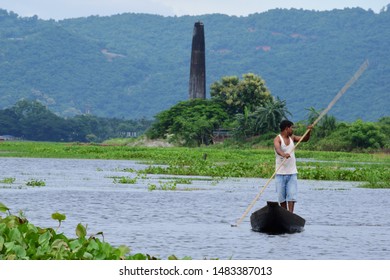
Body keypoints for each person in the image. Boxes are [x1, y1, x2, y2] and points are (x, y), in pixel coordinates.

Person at [273, 120, 312, 213]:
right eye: (292, 127)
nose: (293, 129)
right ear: (287, 128)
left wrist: (309, 131)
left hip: (292, 173)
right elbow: (278, 149)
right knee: (281, 197)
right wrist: (283, 154)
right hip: (280, 174)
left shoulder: (292, 138)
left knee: (291, 196)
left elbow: (305, 139)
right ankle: (284, 214)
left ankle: (290, 214)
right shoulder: (277, 139)